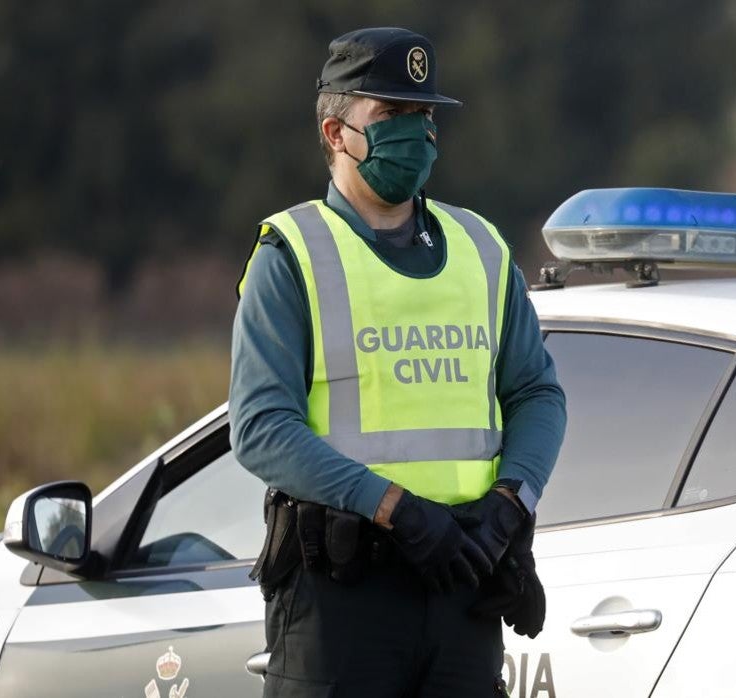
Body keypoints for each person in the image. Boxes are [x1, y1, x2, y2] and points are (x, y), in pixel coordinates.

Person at [229, 26, 566, 697]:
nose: (415, 133)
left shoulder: (483, 247)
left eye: (423, 115)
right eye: (390, 115)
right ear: (335, 133)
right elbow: (263, 427)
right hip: (342, 600)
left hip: (463, 585)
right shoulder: (291, 254)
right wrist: (398, 511)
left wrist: (509, 505)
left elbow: (536, 394)